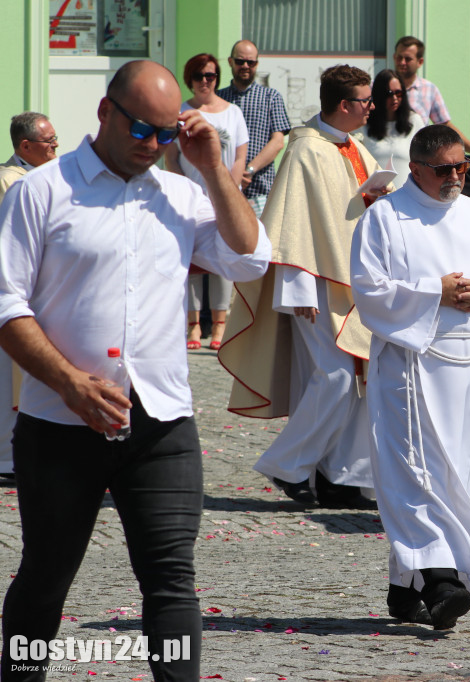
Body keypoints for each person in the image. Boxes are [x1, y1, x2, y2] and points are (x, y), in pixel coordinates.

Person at [0, 60, 269, 680]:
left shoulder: (179, 194)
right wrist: (68, 382)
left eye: (167, 133)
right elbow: (6, 300)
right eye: (142, 130)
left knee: (172, 579)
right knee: (45, 575)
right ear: (103, 113)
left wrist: (207, 167)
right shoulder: (42, 191)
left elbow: (251, 258)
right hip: (60, 424)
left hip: (161, 424)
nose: (153, 145)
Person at [351, 124, 470, 629]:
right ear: (416, 169)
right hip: (412, 363)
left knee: (448, 471)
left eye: (462, 167)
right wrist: (436, 292)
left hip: (469, 365)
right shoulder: (385, 218)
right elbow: (369, 291)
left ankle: (404, 583)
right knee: (414, 470)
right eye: (444, 169)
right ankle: (440, 579)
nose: (456, 176)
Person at [219, 65, 386, 510]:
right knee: (334, 377)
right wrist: (296, 290)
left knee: (361, 381)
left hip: (354, 285)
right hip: (315, 286)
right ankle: (286, 465)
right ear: (344, 105)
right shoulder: (305, 151)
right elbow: (292, 224)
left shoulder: (355, 149)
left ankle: (343, 478)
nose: (372, 107)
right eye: (366, 101)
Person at [166, 53, 249, 351]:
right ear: (190, 78)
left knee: (223, 262)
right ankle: (194, 326)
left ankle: (219, 325)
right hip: (189, 199)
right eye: (199, 76)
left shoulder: (232, 113)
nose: (205, 81)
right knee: (192, 263)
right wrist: (181, 188)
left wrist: (231, 188)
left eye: (210, 76)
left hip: (223, 197)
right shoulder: (181, 112)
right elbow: (171, 157)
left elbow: (240, 155)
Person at [0, 112, 58, 482]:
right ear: (25, 147)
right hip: (13, 292)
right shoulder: (8, 180)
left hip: (41, 291)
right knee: (8, 380)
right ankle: (7, 457)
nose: (56, 147)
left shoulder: (47, 177)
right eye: (49, 141)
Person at [217, 39, 291, 216]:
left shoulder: (271, 97)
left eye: (250, 62)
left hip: (260, 190)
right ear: (230, 62)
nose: (245, 66)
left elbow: (278, 142)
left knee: (261, 242)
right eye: (240, 61)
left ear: (257, 64)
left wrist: (248, 170)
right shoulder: (218, 98)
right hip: (221, 188)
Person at [392, 36, 470, 164]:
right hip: (387, 155)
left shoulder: (429, 89)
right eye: (399, 57)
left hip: (417, 159)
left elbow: (445, 125)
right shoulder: (378, 87)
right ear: (394, 57)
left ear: (420, 62)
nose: (402, 62)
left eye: (408, 59)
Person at [356, 68, 426, 188]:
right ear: (379, 95)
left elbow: (425, 160)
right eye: (389, 94)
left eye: (398, 93)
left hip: (407, 196)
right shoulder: (364, 124)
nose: (394, 98)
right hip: (374, 196)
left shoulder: (414, 121)